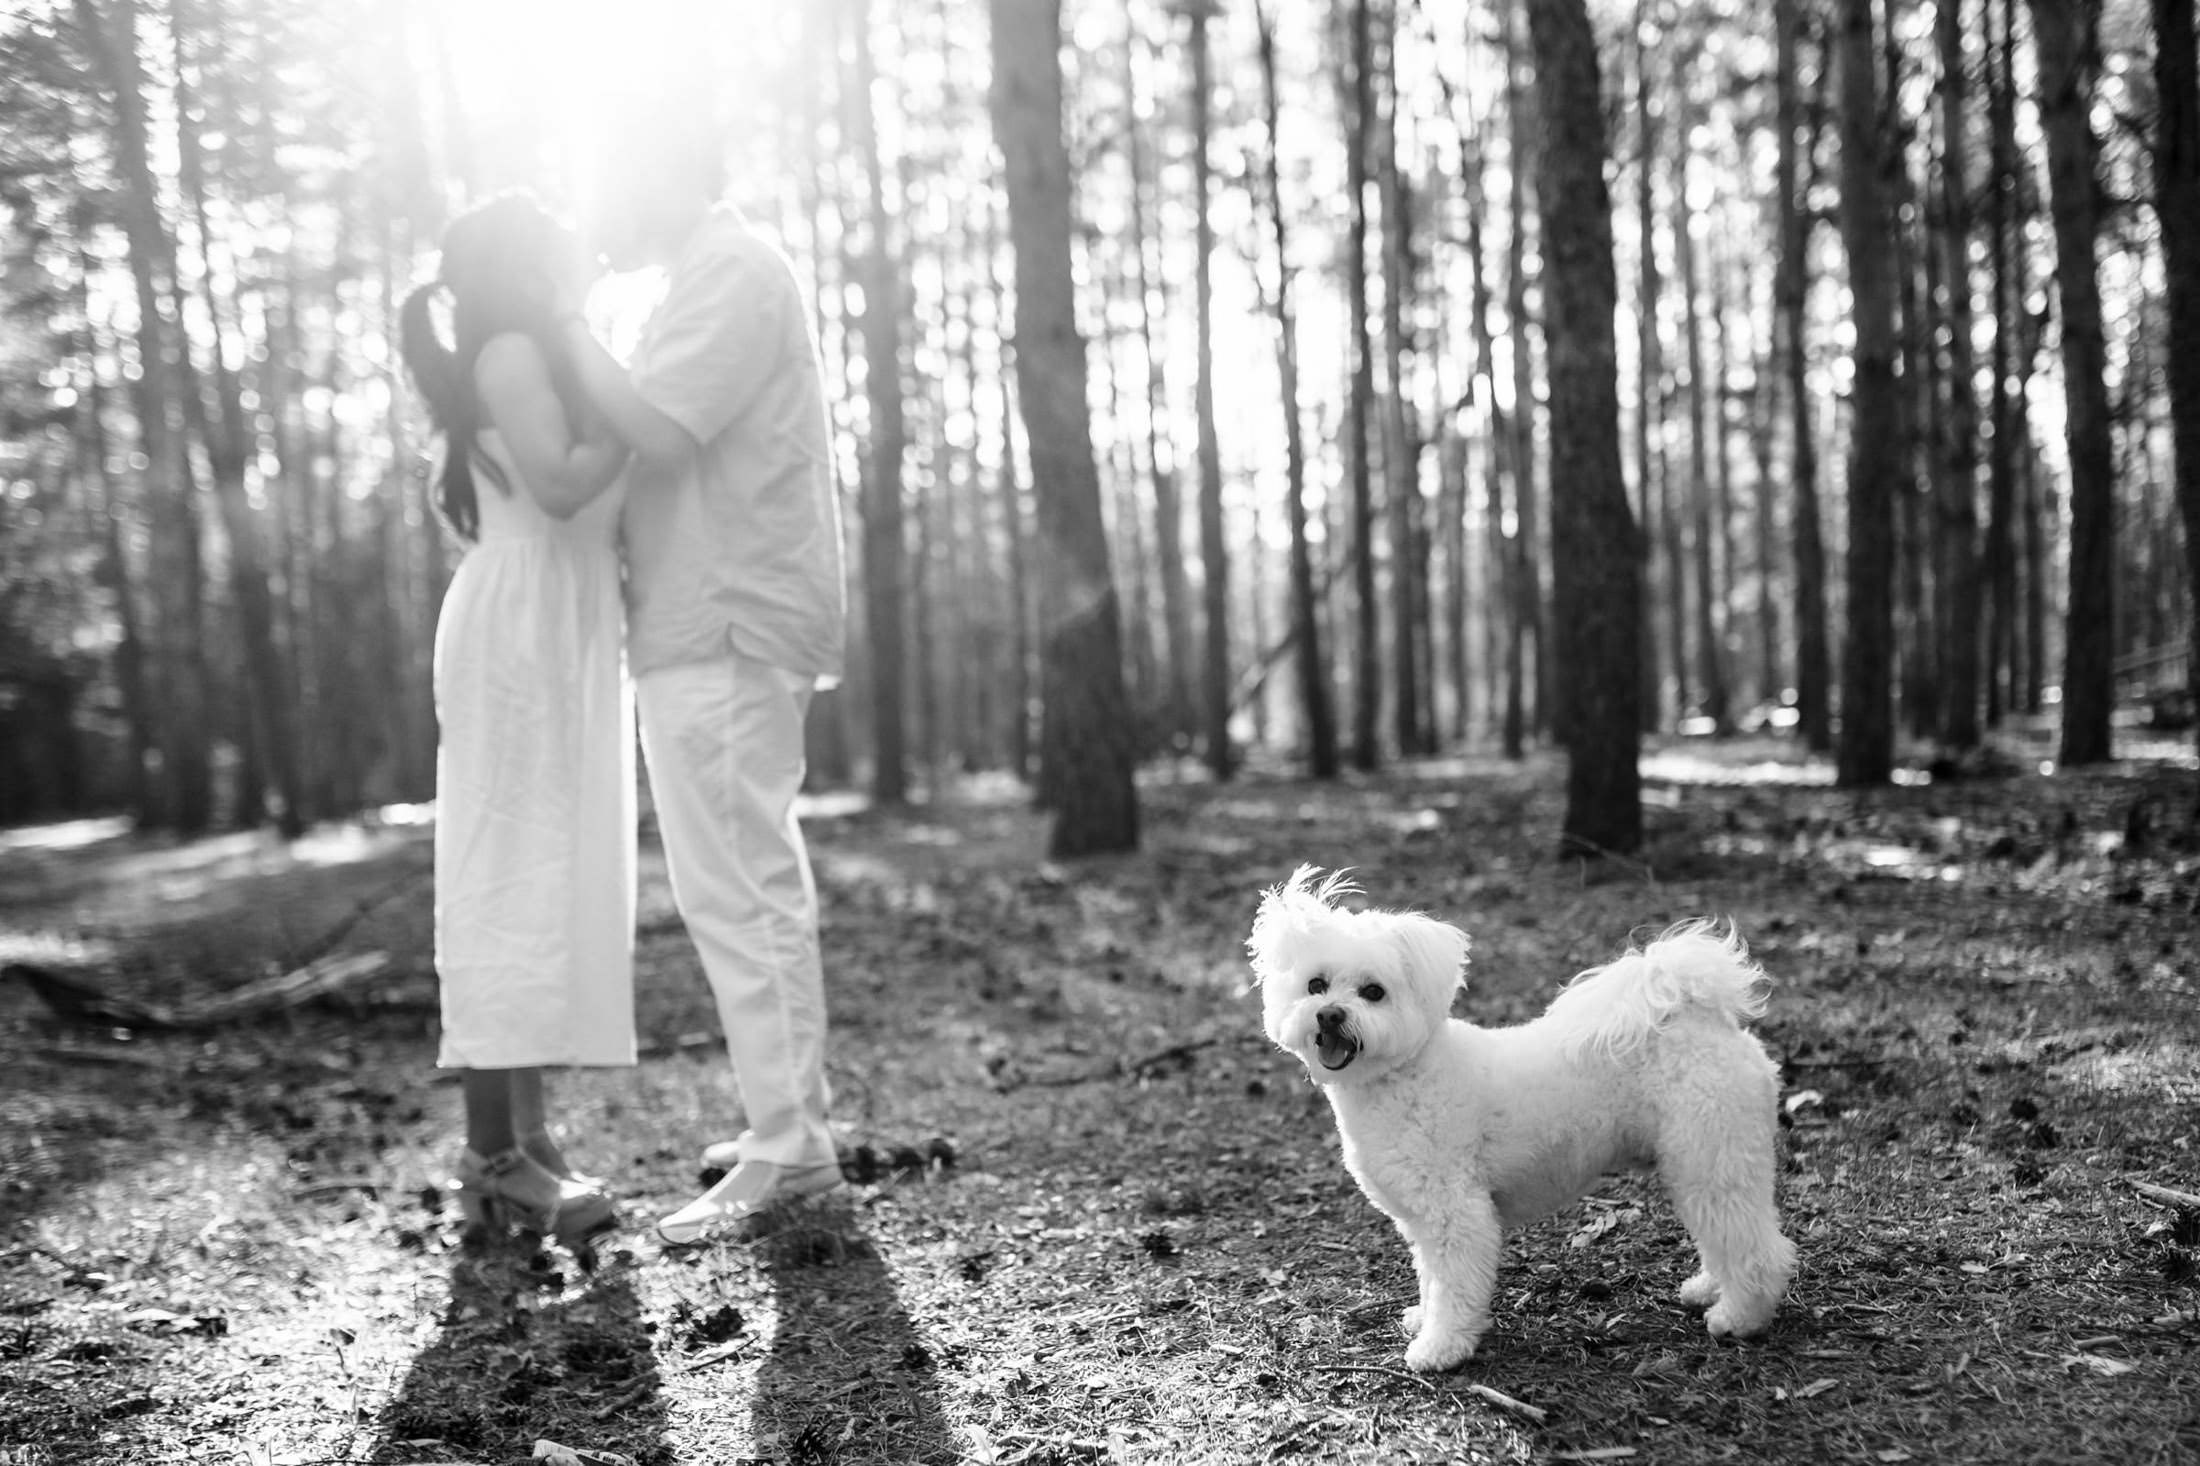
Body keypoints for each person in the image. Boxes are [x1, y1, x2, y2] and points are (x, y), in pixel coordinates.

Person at [552, 114, 848, 1245]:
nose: (594, 214)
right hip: (704, 616)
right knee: (737, 879)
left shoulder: (730, 268)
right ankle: (788, 1121)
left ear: (663, 169)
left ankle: (791, 1144)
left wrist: (565, 323)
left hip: (725, 616)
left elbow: (662, 433)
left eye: (607, 183)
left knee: (740, 882)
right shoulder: (702, 272)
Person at [398, 194, 636, 1255]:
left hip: (562, 618)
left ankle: (525, 1139)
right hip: (523, 626)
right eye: (563, 246)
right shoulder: (508, 351)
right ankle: (491, 1157)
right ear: (527, 267)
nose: (582, 250)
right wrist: (644, 426)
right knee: (505, 874)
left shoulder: (521, 349)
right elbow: (558, 479)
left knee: (545, 872)